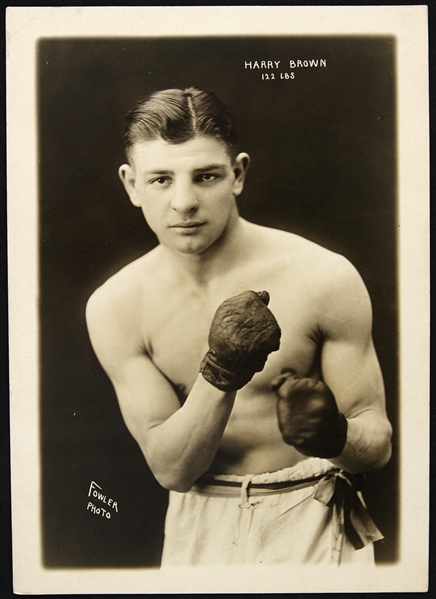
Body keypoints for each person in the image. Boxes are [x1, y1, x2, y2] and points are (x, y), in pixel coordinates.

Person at [86, 87, 392, 566]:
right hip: (200, 527)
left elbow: (377, 445)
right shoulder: (116, 305)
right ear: (131, 185)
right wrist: (221, 369)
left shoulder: (323, 277)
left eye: (205, 176)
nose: (184, 202)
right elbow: (172, 470)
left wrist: (336, 437)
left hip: (313, 513)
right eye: (161, 179)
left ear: (238, 174)